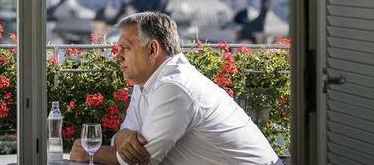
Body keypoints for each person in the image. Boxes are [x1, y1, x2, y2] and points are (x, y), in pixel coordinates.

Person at [70, 11, 280, 165]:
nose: (118, 56)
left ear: (152, 49)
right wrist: (123, 136)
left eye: (125, 48)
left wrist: (89, 152)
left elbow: (141, 161)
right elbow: (125, 142)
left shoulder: (174, 87)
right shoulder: (147, 81)